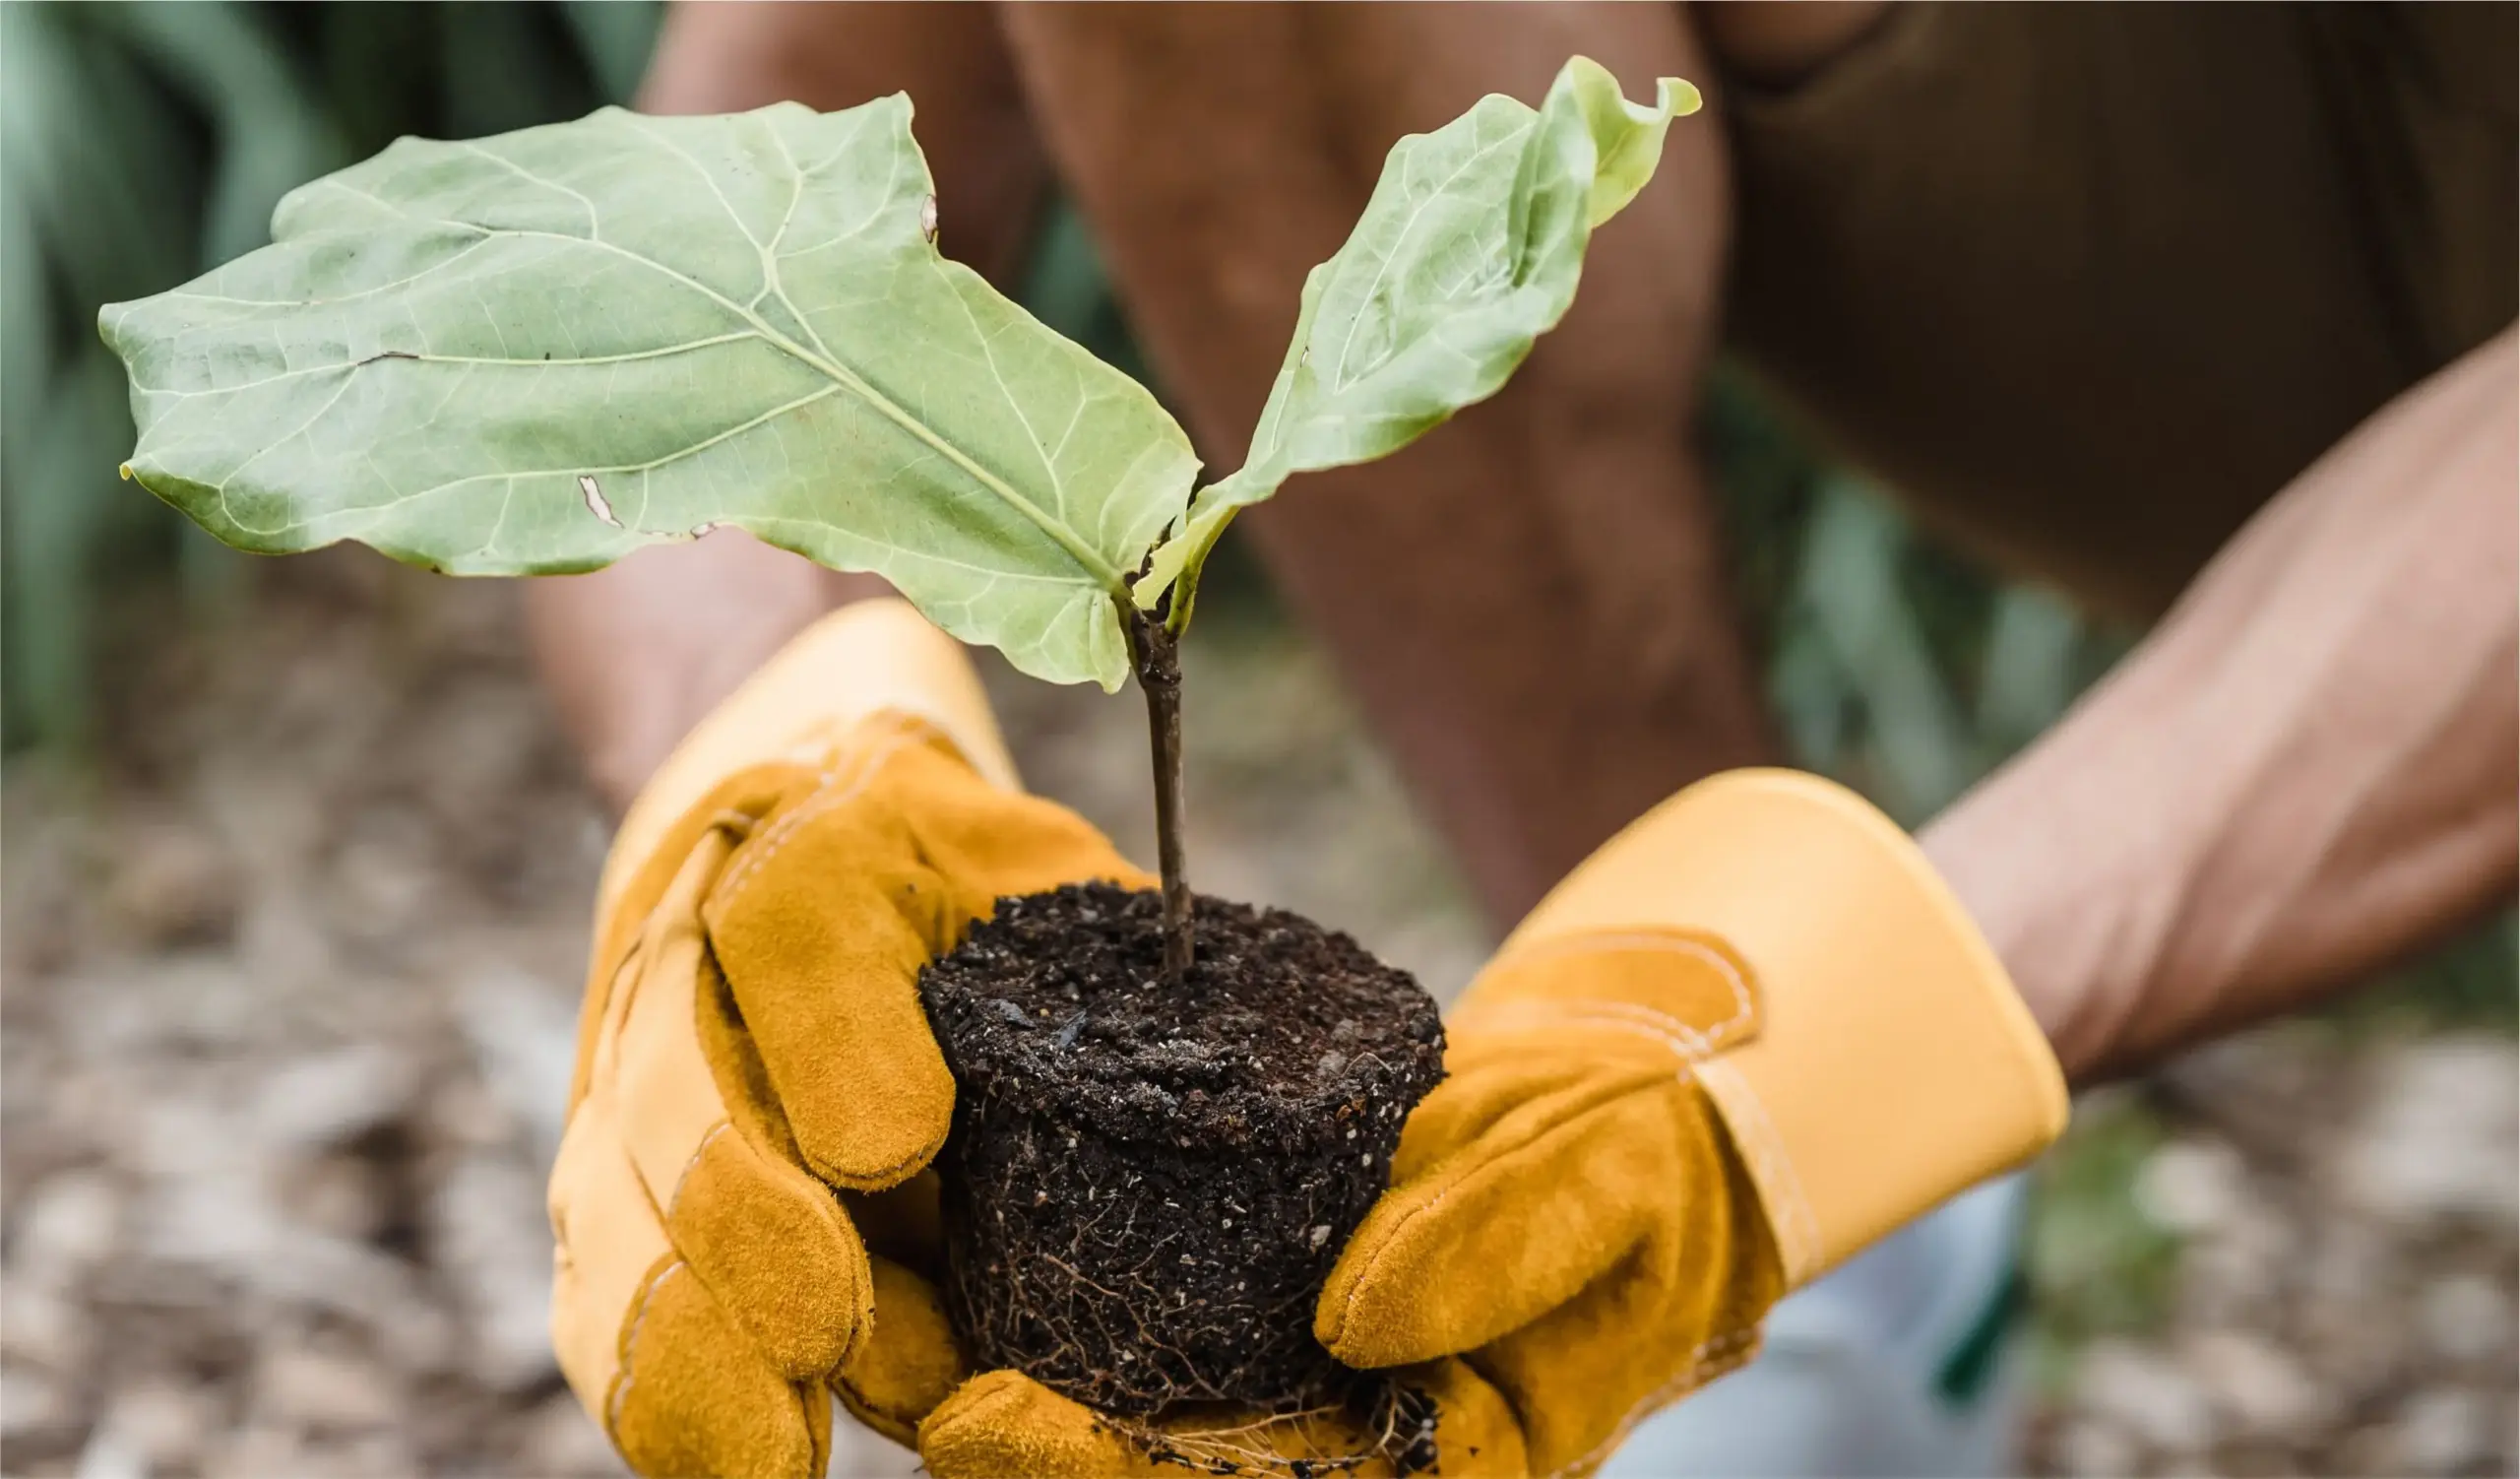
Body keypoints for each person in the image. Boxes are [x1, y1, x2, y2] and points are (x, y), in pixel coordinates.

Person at [533, 6, 2517, 1476]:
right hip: (2160, 196)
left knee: (1794, 1094)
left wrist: (1841, 1019)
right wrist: (761, 744)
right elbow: (698, 255)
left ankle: (1785, 1205)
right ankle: (1735, 1286)